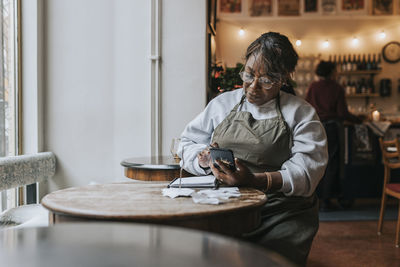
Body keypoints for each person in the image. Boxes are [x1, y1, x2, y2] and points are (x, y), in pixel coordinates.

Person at [178, 32, 328, 266]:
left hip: (281, 213)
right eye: (249, 74)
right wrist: (204, 161)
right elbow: (186, 143)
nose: (253, 86)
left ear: (284, 79)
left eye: (267, 80)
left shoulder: (301, 113)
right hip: (227, 206)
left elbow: (308, 172)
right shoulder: (223, 104)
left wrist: (255, 181)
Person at [305, 61, 362, 211]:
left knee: (316, 161)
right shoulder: (337, 88)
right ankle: (326, 200)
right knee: (331, 164)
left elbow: (306, 107)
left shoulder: (313, 86)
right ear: (331, 72)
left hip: (314, 128)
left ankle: (315, 198)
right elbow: (343, 113)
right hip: (331, 128)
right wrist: (359, 119)